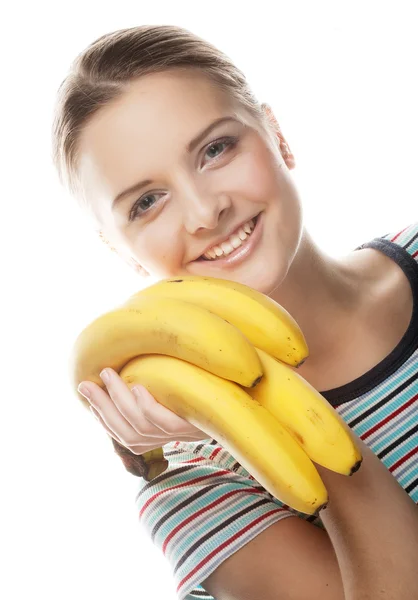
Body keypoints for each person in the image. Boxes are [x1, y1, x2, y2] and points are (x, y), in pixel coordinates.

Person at [52, 24, 418, 600]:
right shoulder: (192, 482)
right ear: (118, 250)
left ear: (276, 135)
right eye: (147, 202)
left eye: (215, 150)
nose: (205, 211)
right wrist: (267, 407)